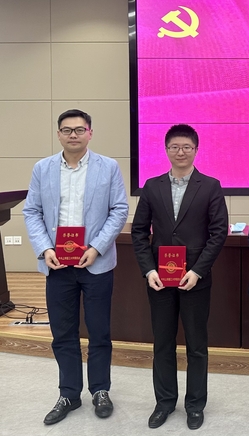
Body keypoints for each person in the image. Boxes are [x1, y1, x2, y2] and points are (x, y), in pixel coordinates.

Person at [23, 109, 128, 425]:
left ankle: (100, 390)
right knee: (62, 333)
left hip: (96, 262)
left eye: (79, 129)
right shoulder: (43, 168)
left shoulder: (108, 167)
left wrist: (96, 247)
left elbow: (119, 209)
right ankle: (69, 393)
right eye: (67, 130)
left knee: (99, 331)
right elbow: (32, 211)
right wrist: (45, 248)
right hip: (57, 264)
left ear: (90, 133)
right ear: (58, 134)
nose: (73, 135)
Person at [131, 124, 228, 431]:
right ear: (166, 150)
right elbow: (138, 231)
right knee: (162, 343)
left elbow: (218, 233)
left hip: (195, 278)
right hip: (159, 280)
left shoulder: (210, 186)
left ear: (196, 150)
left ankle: (195, 404)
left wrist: (198, 271)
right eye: (174, 147)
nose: (181, 152)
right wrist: (149, 270)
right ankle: (164, 402)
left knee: (197, 345)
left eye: (186, 147)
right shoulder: (152, 186)